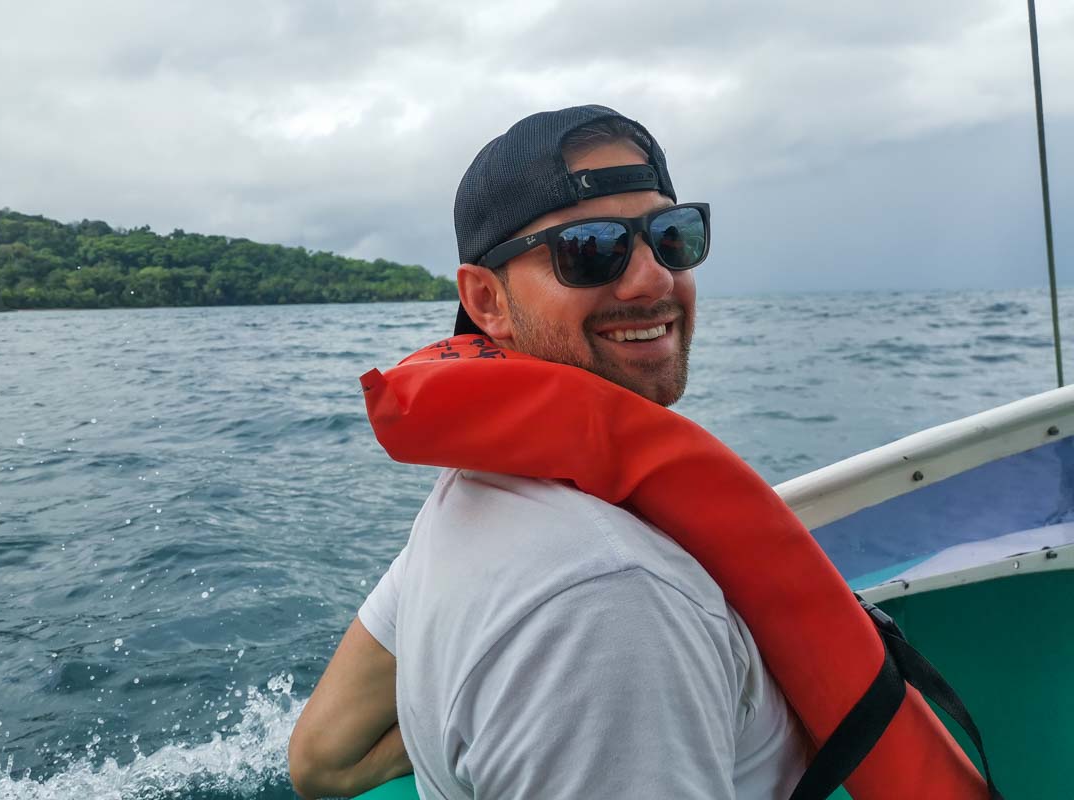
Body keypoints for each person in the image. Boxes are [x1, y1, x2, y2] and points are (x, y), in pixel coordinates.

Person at [288, 105, 808, 799]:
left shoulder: (474, 498)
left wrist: (482, 731)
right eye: (590, 249)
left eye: (671, 236)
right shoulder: (610, 601)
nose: (654, 280)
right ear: (486, 301)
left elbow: (323, 759)